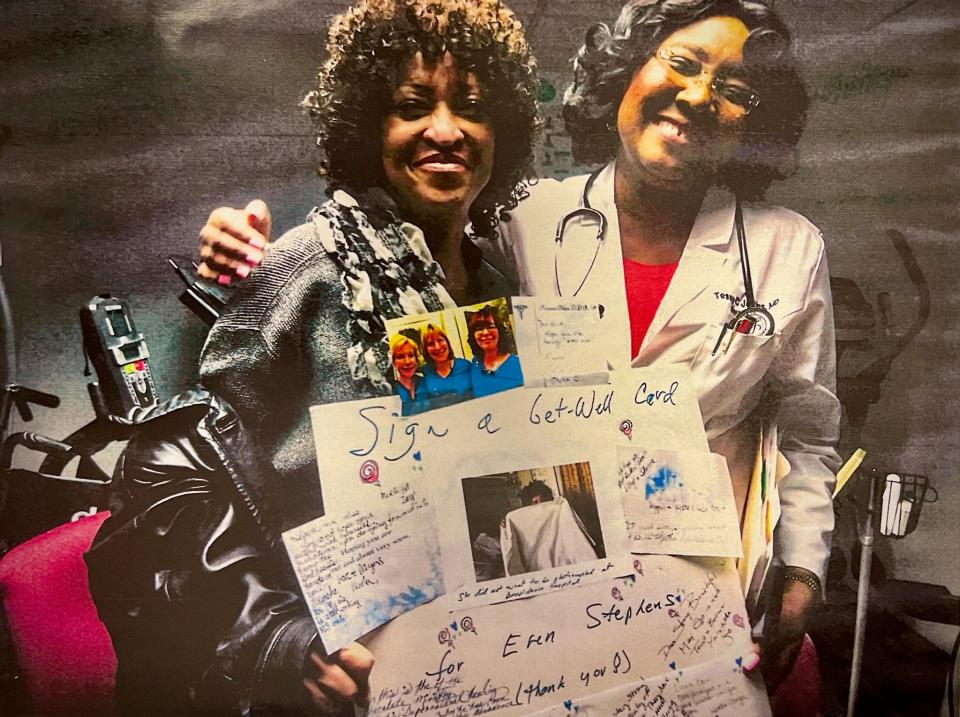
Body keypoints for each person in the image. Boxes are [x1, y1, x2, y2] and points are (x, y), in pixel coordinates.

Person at [195, 0, 839, 696]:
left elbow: (809, 435)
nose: (697, 95)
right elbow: (386, 256)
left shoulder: (788, 247)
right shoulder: (525, 220)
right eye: (680, 62)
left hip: (693, 605)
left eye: (736, 89)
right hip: (519, 627)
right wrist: (247, 243)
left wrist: (801, 572)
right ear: (624, 74)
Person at [86, 1, 540, 714]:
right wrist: (275, 640)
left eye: (474, 110)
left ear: (502, 133)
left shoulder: (496, 284)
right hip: (326, 673)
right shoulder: (301, 268)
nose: (447, 130)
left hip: (469, 657)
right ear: (368, 129)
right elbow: (174, 473)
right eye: (411, 106)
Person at [465, 304, 524, 397]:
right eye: (479, 329)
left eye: (490, 326)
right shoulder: (473, 366)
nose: (485, 333)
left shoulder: (519, 364)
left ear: (499, 331)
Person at [419, 323, 472, 402]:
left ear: (447, 342)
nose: (437, 347)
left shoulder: (465, 366)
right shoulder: (424, 372)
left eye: (440, 340)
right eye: (431, 344)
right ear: (425, 349)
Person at [389, 333, 429, 415]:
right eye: (400, 357)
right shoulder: (390, 391)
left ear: (416, 359)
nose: (407, 362)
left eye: (411, 355)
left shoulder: (428, 382)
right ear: (394, 362)